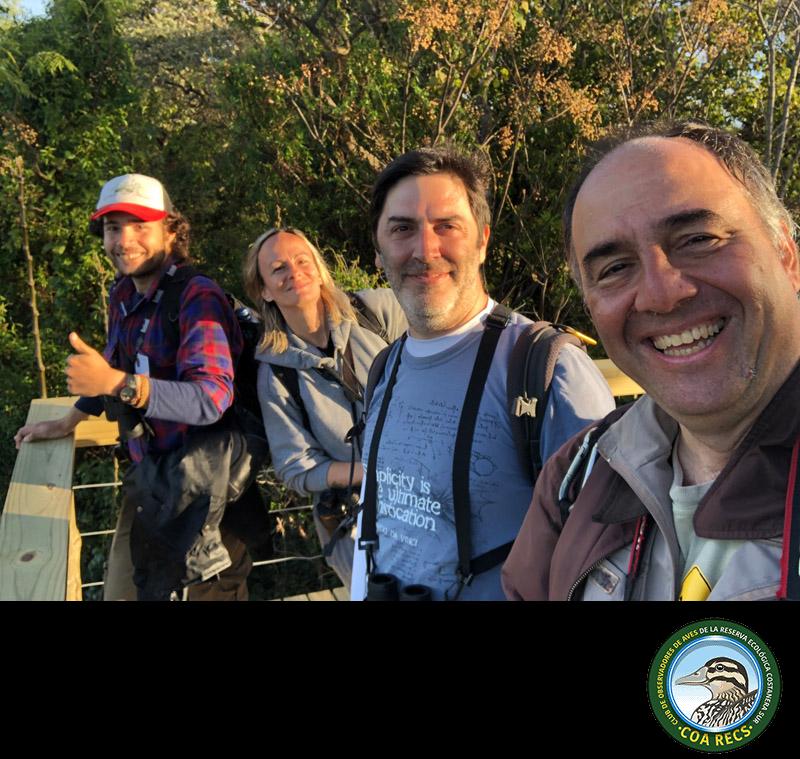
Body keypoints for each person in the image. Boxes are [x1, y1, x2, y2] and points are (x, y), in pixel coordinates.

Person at [502, 120, 800, 601]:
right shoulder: (577, 478)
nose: (661, 295)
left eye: (698, 239)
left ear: (786, 252)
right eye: (615, 268)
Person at [350, 145, 616, 601]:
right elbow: (380, 519)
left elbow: (606, 552)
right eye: (402, 228)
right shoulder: (385, 367)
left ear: (483, 241)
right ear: (378, 250)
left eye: (446, 226)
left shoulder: (546, 371)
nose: (425, 250)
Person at [14, 173, 253, 600]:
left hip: (207, 492)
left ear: (171, 231)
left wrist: (118, 384)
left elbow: (211, 397)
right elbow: (115, 363)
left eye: (140, 226)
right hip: (151, 478)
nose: (124, 240)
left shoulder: (197, 297)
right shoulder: (124, 292)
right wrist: (69, 421)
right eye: (113, 228)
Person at [243, 227, 406, 588]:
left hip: (424, 494)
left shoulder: (377, 312)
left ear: (319, 270)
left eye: (303, 261)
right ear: (264, 291)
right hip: (354, 519)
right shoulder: (276, 373)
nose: (294, 272)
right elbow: (295, 466)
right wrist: (366, 474)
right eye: (278, 268)